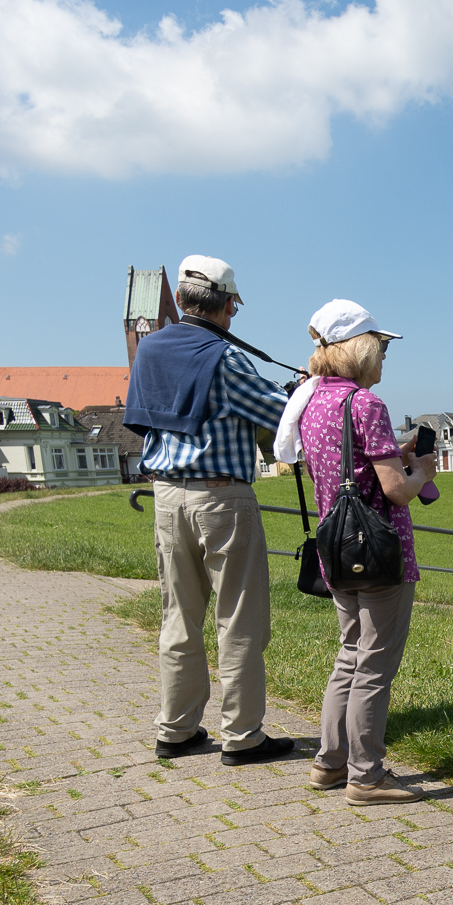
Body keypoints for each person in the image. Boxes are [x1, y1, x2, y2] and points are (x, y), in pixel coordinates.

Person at [125, 256, 294, 764]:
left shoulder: (150, 350)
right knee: (239, 620)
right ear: (225, 305)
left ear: (180, 300)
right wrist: (301, 390)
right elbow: (281, 415)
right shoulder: (226, 358)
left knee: (178, 616)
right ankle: (243, 736)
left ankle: (175, 729)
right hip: (221, 497)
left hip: (166, 495)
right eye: (234, 307)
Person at [299, 299, 436, 806]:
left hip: (336, 548)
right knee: (375, 665)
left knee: (349, 655)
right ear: (359, 349)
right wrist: (421, 470)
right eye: (380, 348)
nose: (383, 359)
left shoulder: (313, 403)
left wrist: (391, 455)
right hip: (380, 550)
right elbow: (397, 491)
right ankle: (367, 775)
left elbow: (337, 470)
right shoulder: (365, 404)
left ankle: (330, 763)